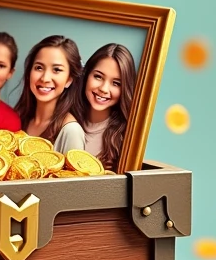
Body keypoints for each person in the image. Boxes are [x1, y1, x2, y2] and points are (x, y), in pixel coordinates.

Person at [69, 43, 137, 172]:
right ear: (86, 75)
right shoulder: (64, 120)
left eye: (116, 83)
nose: (104, 89)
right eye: (98, 77)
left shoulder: (126, 137)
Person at [14, 35, 84, 145]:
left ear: (69, 80)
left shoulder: (70, 131)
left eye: (56, 70)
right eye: (39, 68)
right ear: (29, 73)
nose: (45, 78)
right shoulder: (19, 117)